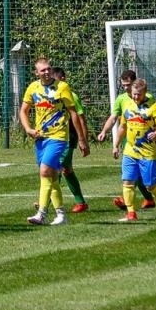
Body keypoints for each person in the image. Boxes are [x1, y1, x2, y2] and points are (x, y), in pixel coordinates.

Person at [19, 57, 85, 226]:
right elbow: (23, 111)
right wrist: (28, 129)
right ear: (37, 73)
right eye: (43, 70)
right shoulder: (33, 88)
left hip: (58, 137)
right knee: (53, 177)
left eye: (48, 69)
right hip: (41, 138)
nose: (47, 72)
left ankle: (41, 213)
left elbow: (74, 113)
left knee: (44, 171)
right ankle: (61, 214)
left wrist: (82, 138)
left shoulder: (62, 87)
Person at [112, 78, 156, 223]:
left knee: (150, 185)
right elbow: (122, 127)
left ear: (145, 92)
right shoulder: (128, 106)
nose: (136, 97)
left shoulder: (154, 106)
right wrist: (116, 145)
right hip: (130, 150)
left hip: (147, 152)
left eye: (139, 94)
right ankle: (131, 213)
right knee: (127, 181)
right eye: (134, 94)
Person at [96, 68, 153, 211]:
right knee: (131, 173)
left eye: (128, 84)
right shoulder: (121, 99)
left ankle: (149, 199)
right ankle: (137, 200)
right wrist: (104, 131)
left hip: (146, 142)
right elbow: (114, 117)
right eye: (124, 85)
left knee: (145, 178)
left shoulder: (148, 98)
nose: (126, 88)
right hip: (130, 141)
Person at [49, 63, 89, 213]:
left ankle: (45, 201)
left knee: (56, 166)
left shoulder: (72, 96)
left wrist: (82, 139)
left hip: (69, 137)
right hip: (57, 136)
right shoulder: (53, 96)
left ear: (63, 79)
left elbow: (80, 118)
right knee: (66, 169)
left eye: (55, 80)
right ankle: (81, 202)